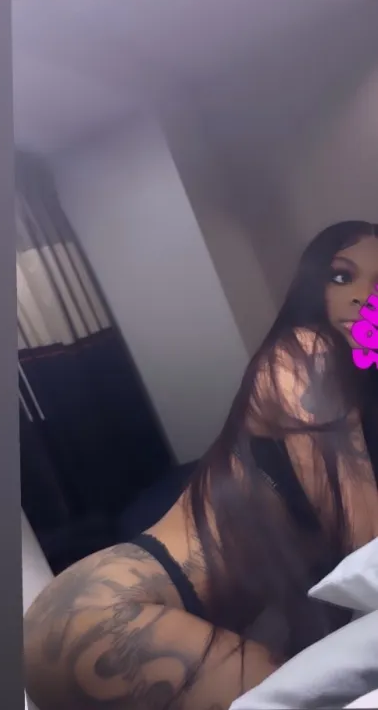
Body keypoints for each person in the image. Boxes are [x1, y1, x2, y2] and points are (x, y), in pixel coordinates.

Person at [24, 220, 378, 710]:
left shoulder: (354, 397)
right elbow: (364, 543)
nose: (363, 296)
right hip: (111, 611)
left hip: (124, 613)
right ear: (311, 284)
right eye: (341, 276)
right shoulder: (305, 353)